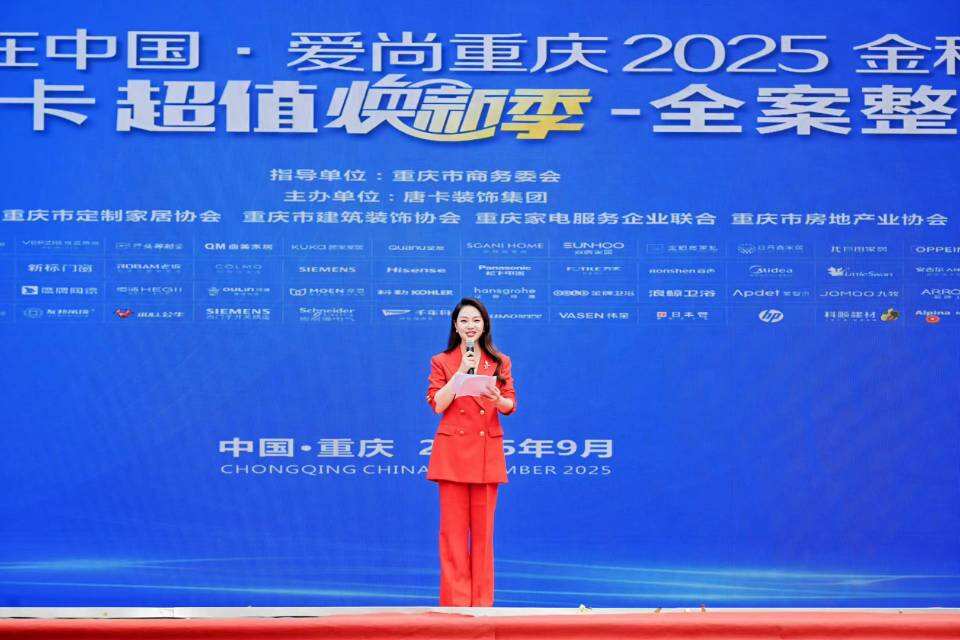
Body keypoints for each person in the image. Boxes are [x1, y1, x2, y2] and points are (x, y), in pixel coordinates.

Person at [424, 297, 517, 607]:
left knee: (483, 535)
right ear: (455, 326)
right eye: (464, 320)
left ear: (485, 325)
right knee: (452, 535)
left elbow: (510, 404)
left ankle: (482, 605)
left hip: (486, 454)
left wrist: (497, 399)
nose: (470, 326)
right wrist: (460, 373)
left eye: (476, 320)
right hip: (452, 454)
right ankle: (455, 604)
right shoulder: (442, 360)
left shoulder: (500, 361)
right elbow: (438, 404)